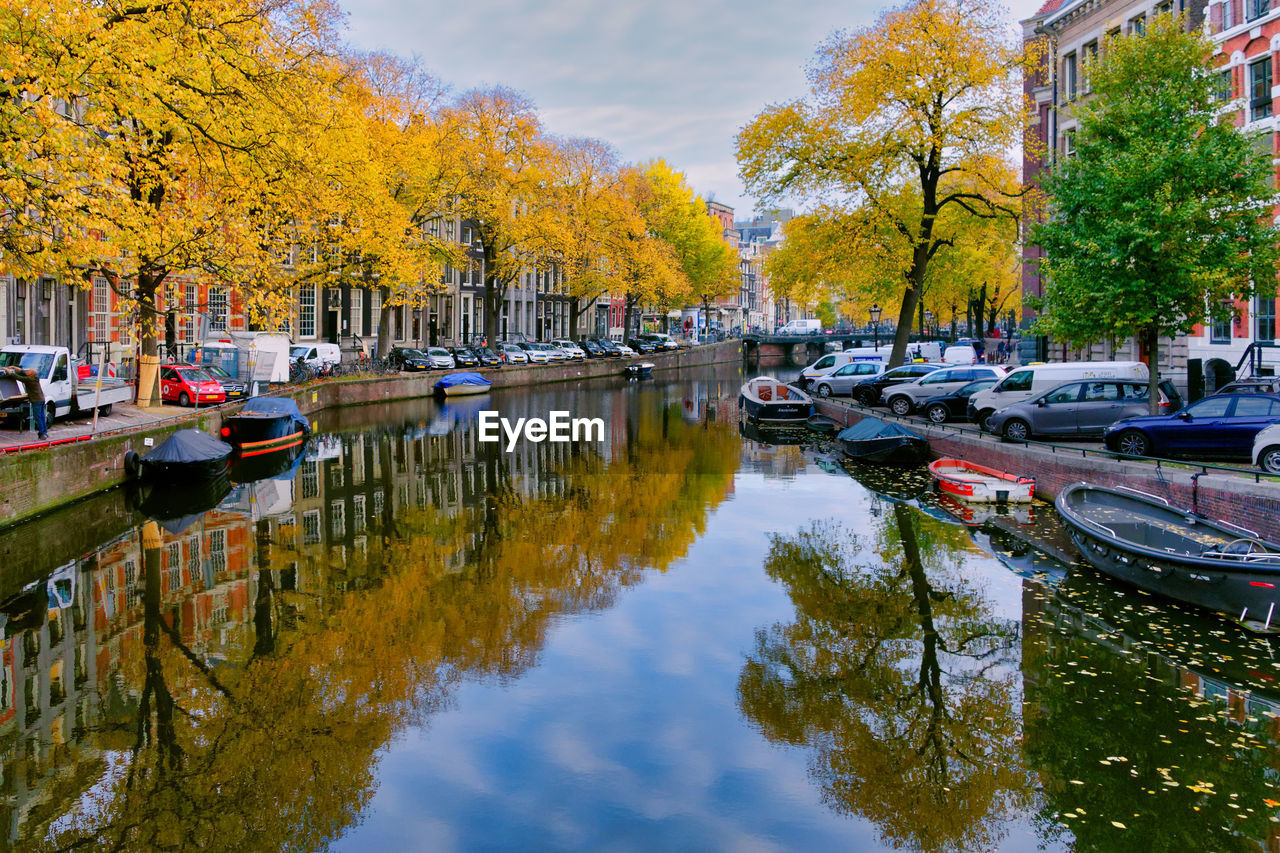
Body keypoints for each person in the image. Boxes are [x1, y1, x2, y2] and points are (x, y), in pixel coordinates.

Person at [3, 366, 47, 439]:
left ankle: (42, 433)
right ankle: (44, 432)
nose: (27, 372)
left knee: (38, 417)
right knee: (42, 416)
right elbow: (22, 371)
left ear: (31, 374)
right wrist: (13, 367)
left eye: (28, 371)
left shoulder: (29, 379)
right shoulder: (34, 377)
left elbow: (17, 377)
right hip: (41, 399)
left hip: (36, 400)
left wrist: (7, 370)